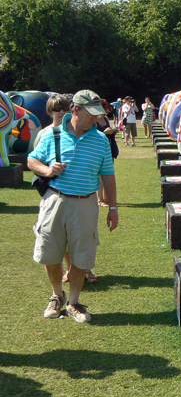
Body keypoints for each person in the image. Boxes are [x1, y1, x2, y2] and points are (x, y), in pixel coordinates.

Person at [28, 89, 119, 323]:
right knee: (51, 252)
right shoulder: (52, 134)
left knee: (81, 256)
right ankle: (57, 296)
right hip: (54, 201)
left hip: (86, 203)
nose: (96, 119)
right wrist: (47, 170)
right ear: (76, 110)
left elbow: (108, 176)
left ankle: (74, 302)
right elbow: (32, 160)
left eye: (99, 114)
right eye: (92, 114)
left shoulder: (100, 140)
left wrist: (113, 208)